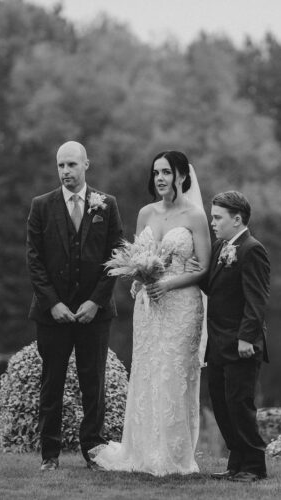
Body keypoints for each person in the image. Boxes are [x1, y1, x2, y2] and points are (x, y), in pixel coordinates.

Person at [90, 150, 211, 475]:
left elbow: (204, 269)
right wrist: (138, 279)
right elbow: (138, 255)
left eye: (166, 172)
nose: (159, 178)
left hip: (182, 305)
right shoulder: (145, 213)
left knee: (173, 375)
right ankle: (142, 451)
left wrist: (168, 286)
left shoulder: (195, 217)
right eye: (156, 172)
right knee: (147, 373)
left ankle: (172, 455)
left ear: (182, 176)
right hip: (148, 307)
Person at [26, 140, 123, 471]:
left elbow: (117, 256)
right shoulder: (41, 205)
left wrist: (96, 301)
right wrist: (52, 303)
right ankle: (49, 456)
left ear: (86, 165)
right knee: (51, 383)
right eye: (61, 165)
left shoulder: (106, 205)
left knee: (93, 383)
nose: (65, 171)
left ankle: (93, 451)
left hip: (94, 315)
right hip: (52, 315)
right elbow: (34, 260)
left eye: (71, 164)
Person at [200, 191, 270, 483]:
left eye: (218, 217)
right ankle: (236, 461)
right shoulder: (220, 247)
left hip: (241, 344)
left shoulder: (252, 249)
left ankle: (254, 466)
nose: (212, 222)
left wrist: (246, 338)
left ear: (237, 218)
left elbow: (257, 299)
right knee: (221, 403)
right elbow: (209, 284)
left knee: (240, 405)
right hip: (217, 342)